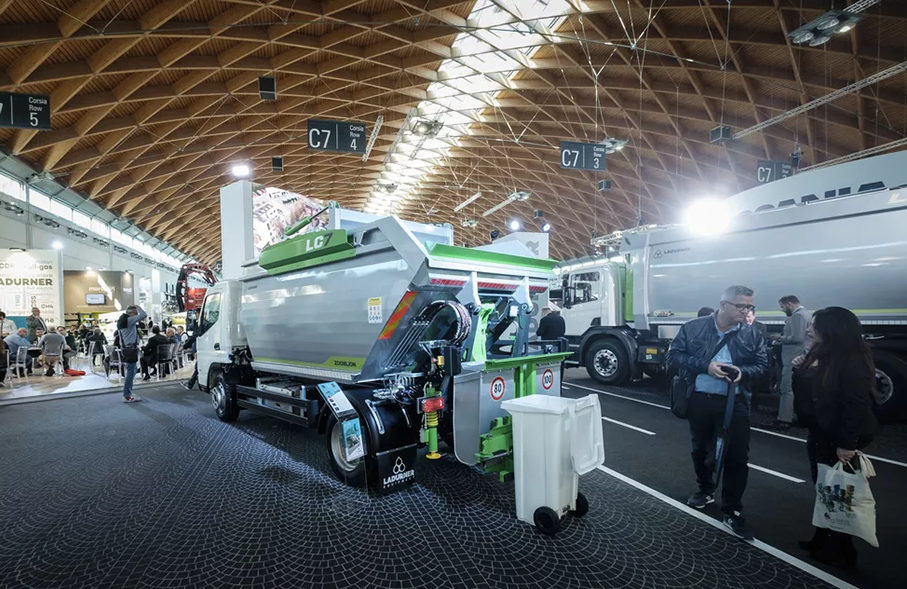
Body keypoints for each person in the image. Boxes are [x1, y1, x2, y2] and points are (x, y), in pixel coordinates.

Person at [665, 285, 767, 541]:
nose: (746, 311)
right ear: (723, 305)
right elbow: (673, 356)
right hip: (699, 399)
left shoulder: (752, 334)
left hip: (736, 402)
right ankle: (706, 489)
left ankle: (732, 509)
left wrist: (743, 373)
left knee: (737, 457)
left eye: (749, 307)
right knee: (700, 448)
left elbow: (762, 366)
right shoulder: (693, 327)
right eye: (741, 306)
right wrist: (706, 366)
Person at [793, 307, 876, 569]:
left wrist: (846, 445)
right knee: (824, 488)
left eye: (814, 325)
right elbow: (810, 392)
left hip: (838, 436)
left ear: (832, 329)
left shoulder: (853, 361)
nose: (809, 329)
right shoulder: (822, 353)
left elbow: (856, 406)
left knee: (839, 493)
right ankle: (822, 538)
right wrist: (799, 369)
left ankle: (841, 549)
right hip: (820, 431)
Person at [769, 295, 812, 430]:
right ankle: (795, 415)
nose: (782, 310)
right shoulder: (806, 314)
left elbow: (797, 338)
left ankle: (784, 419)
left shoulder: (798, 316)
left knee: (786, 388)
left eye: (782, 307)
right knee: (797, 389)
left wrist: (780, 338)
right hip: (800, 354)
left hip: (793, 356)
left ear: (789, 304)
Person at [117, 305, 147, 403]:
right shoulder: (128, 320)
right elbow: (144, 315)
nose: (137, 316)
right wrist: (138, 307)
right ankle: (127, 395)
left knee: (132, 370)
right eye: (136, 313)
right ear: (132, 313)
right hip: (130, 348)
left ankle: (128, 393)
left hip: (128, 348)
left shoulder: (123, 320)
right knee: (131, 371)